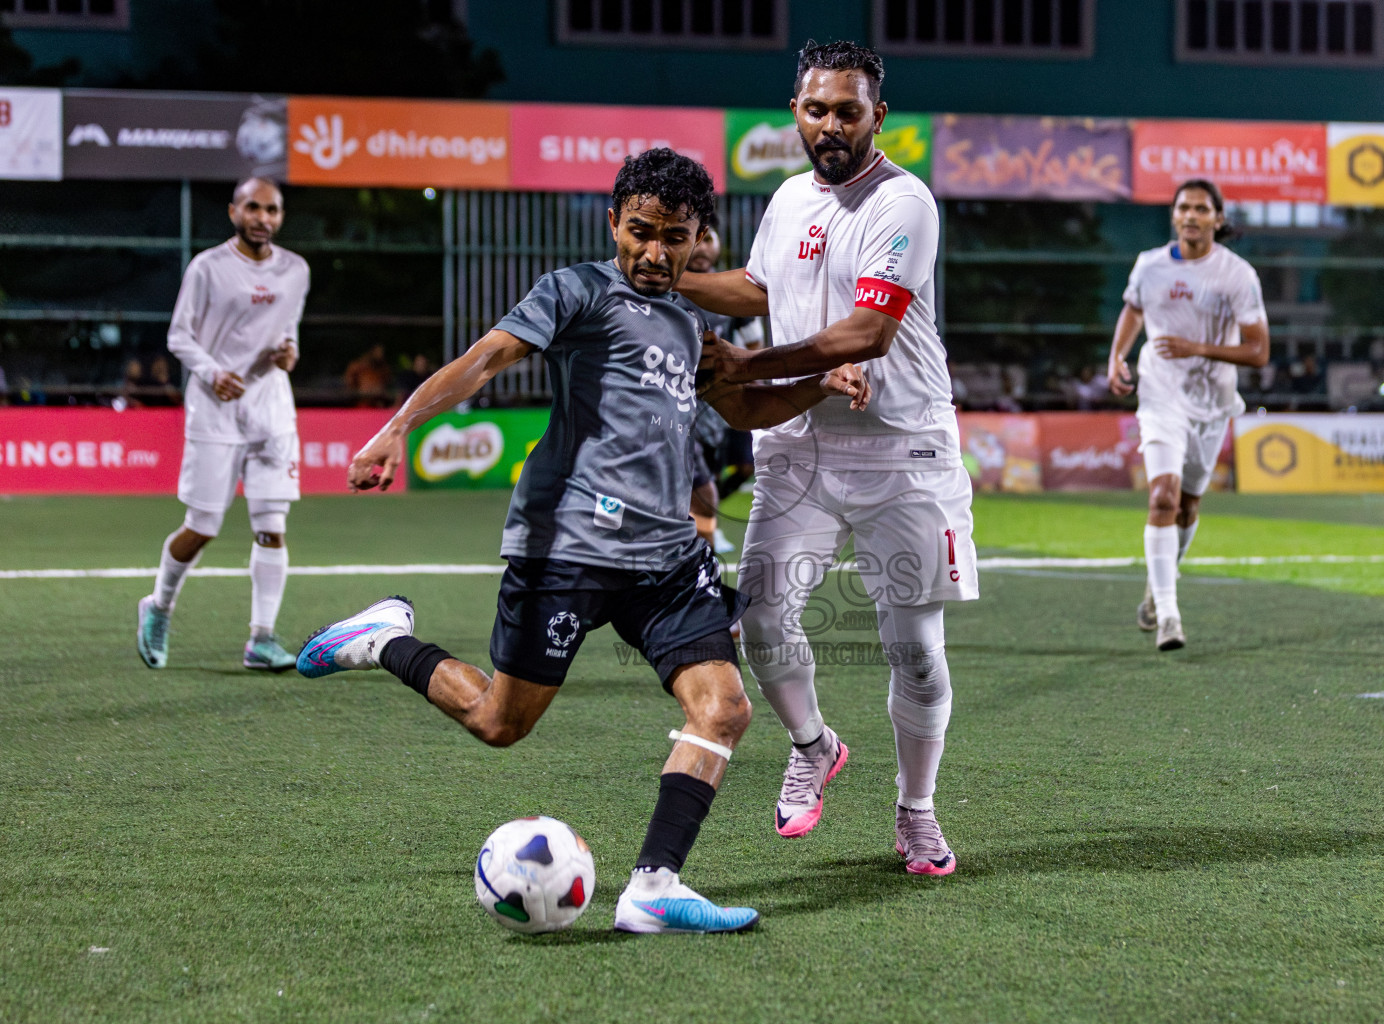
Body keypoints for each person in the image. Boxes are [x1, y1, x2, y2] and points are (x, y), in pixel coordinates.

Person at [294, 148, 869, 934]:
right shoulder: (575, 291)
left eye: (675, 237)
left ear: (700, 238)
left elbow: (743, 410)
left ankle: (653, 886)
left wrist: (819, 383)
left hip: (666, 559)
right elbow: (485, 359)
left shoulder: (692, 324)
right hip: (565, 545)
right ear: (614, 223)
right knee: (501, 722)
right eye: (640, 232)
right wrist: (399, 426)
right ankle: (381, 639)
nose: (655, 253)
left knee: (724, 709)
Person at [678, 40, 978, 876]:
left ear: (879, 116)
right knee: (764, 617)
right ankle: (814, 745)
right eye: (817, 109)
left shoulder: (904, 202)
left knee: (913, 647)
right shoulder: (786, 199)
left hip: (902, 450)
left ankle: (916, 809)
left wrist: (747, 366)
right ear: (796, 112)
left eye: (849, 110)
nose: (832, 125)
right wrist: (671, 279)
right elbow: (760, 289)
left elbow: (869, 332)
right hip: (799, 444)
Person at [136, 177, 310, 672]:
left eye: (272, 210)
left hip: (272, 411)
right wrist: (213, 374)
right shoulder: (208, 268)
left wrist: (288, 353)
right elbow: (178, 335)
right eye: (253, 208)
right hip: (215, 411)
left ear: (280, 216)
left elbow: (287, 330)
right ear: (234, 211)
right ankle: (159, 606)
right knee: (203, 525)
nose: (263, 218)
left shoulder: (296, 270)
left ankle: (261, 639)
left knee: (272, 527)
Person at [1106, 178, 1270, 651]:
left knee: (1189, 505)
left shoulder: (1237, 275)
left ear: (1217, 218)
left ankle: (1161, 582)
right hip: (1160, 397)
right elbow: (1134, 309)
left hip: (1212, 404)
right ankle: (1169, 617)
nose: (1191, 215)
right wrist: (1117, 355)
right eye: (1184, 208)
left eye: (1202, 209)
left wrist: (1196, 347)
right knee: (1162, 497)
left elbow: (1259, 352)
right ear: (1174, 215)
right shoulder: (1149, 265)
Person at [684, 220, 764, 551]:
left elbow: (755, 348)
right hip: (680, 405)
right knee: (694, 478)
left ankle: (704, 523)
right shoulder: (665, 289)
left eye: (709, 239)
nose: (702, 247)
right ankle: (699, 530)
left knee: (737, 468)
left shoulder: (733, 291)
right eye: (694, 240)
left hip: (724, 399)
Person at [344, 343, 392, 407]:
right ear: (371, 351)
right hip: (362, 402)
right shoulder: (358, 366)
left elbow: (387, 383)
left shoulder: (383, 368)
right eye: (377, 351)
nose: (380, 354)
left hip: (378, 403)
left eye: (381, 352)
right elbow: (349, 384)